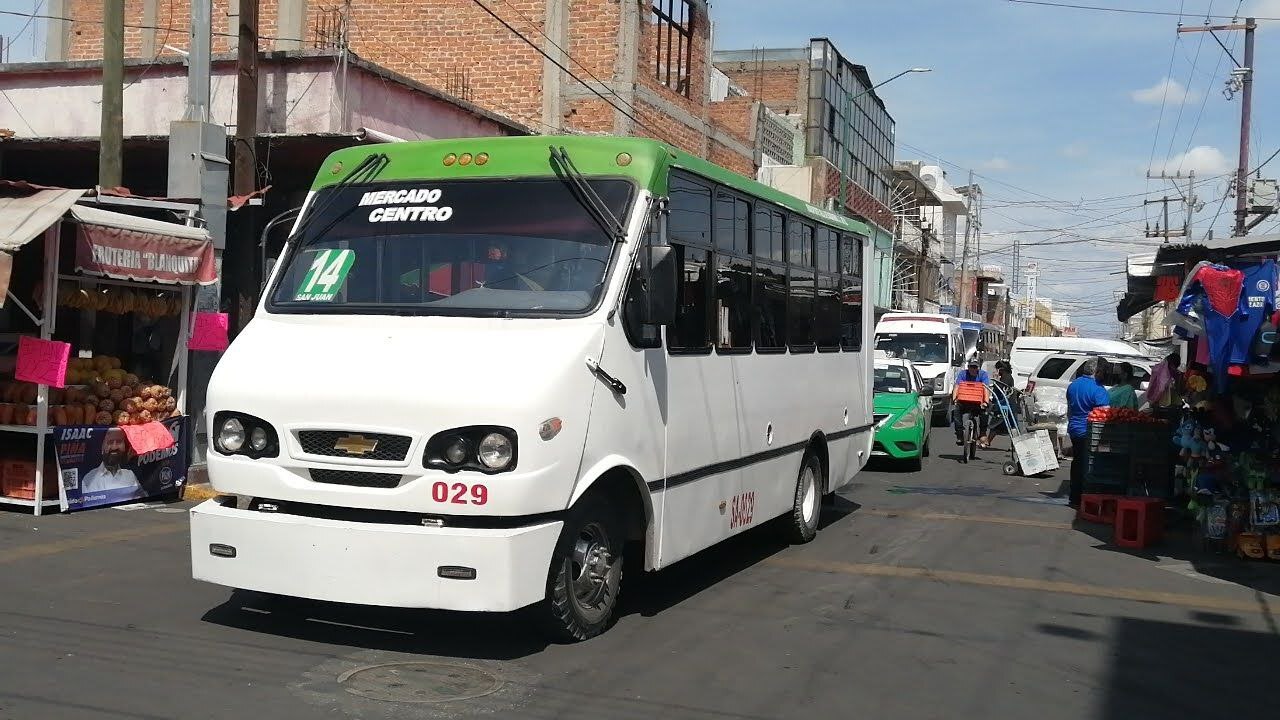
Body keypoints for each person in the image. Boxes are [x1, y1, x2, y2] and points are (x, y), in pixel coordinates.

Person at [1065, 359, 1110, 508]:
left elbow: (1069, 411)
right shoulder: (1098, 389)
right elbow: (1104, 416)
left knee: (1078, 461)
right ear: (1096, 372)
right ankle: (1087, 496)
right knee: (1091, 464)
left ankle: (1075, 496)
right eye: (1102, 371)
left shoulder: (1073, 386)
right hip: (1091, 432)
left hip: (1074, 430)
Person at [80, 427, 141, 496]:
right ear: (102, 446)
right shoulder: (89, 478)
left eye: (119, 442)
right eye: (110, 442)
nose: (114, 447)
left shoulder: (130, 475)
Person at [952, 358, 991, 446]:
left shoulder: (983, 374)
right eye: (971, 367)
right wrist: (954, 399)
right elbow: (957, 386)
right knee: (956, 410)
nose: (973, 369)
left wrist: (986, 402)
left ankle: (982, 434)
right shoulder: (963, 374)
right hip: (964, 401)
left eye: (975, 367)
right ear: (968, 367)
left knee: (986, 411)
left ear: (978, 368)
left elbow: (986, 388)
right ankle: (959, 435)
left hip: (978, 402)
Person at [980, 360, 1016, 448]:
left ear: (1001, 369)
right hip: (1002, 404)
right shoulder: (1006, 377)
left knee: (1004, 424)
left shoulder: (1006, 378)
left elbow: (1000, 389)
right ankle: (988, 441)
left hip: (1005, 405)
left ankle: (1014, 445)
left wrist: (995, 380)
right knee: (999, 426)